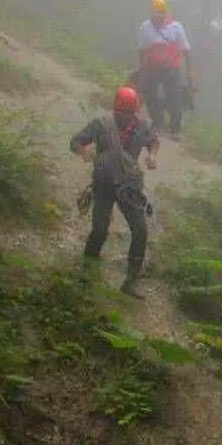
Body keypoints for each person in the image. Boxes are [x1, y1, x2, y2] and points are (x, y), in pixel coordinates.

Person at [70, 86, 159, 298]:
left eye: (130, 113)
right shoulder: (101, 125)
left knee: (140, 230)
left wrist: (152, 155)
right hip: (103, 183)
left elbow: (154, 141)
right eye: (122, 113)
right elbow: (75, 141)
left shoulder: (143, 126)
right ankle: (87, 269)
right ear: (115, 110)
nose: (126, 117)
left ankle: (130, 281)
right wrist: (84, 151)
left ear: (135, 111)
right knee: (100, 230)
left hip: (129, 186)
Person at [137, 0, 194, 139]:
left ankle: (175, 128)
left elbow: (186, 49)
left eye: (162, 13)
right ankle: (157, 123)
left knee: (174, 98)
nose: (160, 16)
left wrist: (190, 70)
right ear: (152, 13)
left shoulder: (176, 27)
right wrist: (142, 68)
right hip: (152, 68)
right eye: (157, 13)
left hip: (171, 69)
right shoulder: (146, 27)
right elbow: (141, 49)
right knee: (150, 96)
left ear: (166, 12)